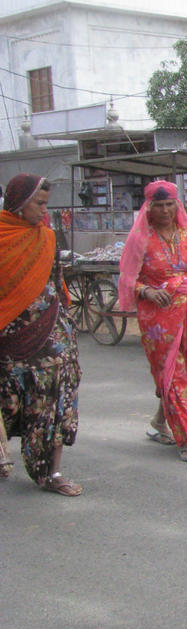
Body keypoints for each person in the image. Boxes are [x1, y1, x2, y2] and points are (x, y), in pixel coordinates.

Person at [118, 180, 187, 463]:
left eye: (169, 204)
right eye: (158, 205)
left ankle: (158, 422)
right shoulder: (141, 239)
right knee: (173, 376)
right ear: (148, 207)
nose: (164, 210)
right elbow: (128, 279)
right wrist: (147, 291)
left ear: (177, 204)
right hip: (158, 321)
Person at [0, 174, 83, 495]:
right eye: (38, 204)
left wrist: (66, 320)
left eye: (46, 204)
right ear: (19, 202)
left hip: (51, 334)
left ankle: (51, 473)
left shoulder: (46, 237)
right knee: (10, 402)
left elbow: (55, 281)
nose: (43, 211)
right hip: (10, 339)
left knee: (56, 401)